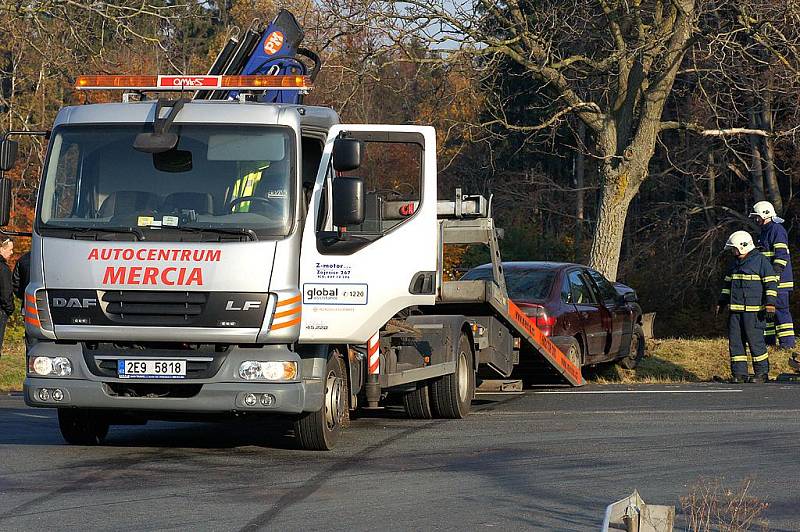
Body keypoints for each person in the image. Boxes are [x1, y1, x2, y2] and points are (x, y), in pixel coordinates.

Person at [717, 230, 778, 383]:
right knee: (736, 342)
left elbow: (771, 283)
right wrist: (722, 302)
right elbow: (727, 285)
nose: (733, 251)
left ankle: (762, 373)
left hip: (754, 312)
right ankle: (739, 374)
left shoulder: (761, 261)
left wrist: (770, 303)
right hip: (735, 312)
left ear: (743, 246)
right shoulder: (735, 264)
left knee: (755, 342)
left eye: (734, 248)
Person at [750, 201, 795, 349]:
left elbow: (781, 255)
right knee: (767, 311)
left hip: (779, 281)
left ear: (765, 214)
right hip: (768, 280)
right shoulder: (765, 232)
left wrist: (775, 276)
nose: (756, 220)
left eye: (757, 217)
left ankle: (787, 344)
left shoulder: (777, 230)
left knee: (781, 311)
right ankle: (769, 341)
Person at [0, 238, 14, 357]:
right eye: (10, 249)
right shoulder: (3, 269)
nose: (12, 253)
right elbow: (6, 293)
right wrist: (10, 309)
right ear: (1, 249)